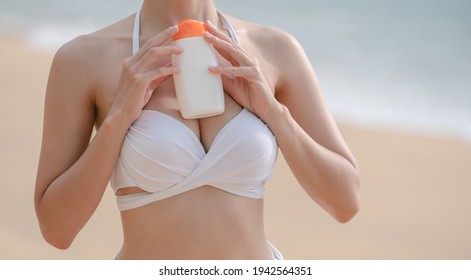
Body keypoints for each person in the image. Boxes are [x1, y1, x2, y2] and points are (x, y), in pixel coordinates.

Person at [34, 0, 360, 260]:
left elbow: (345, 201)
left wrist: (274, 113)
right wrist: (118, 117)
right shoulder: (84, 59)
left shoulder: (274, 50)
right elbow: (57, 229)